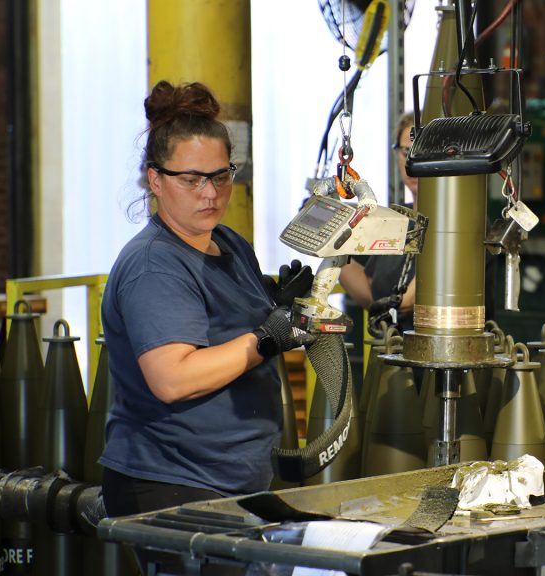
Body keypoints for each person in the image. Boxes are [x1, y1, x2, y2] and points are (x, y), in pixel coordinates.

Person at [99, 81, 312, 517]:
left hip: (234, 479)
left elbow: (225, 323)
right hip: (175, 484)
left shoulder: (228, 243)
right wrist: (265, 339)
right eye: (192, 179)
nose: (211, 193)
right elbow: (172, 379)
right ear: (155, 180)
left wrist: (274, 303)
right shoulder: (154, 264)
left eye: (220, 176)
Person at [338, 112, 419, 332]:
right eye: (406, 152)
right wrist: (330, 245)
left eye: (422, 153)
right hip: (388, 353)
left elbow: (408, 302)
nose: (412, 161)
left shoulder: (460, 225)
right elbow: (372, 293)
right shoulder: (397, 219)